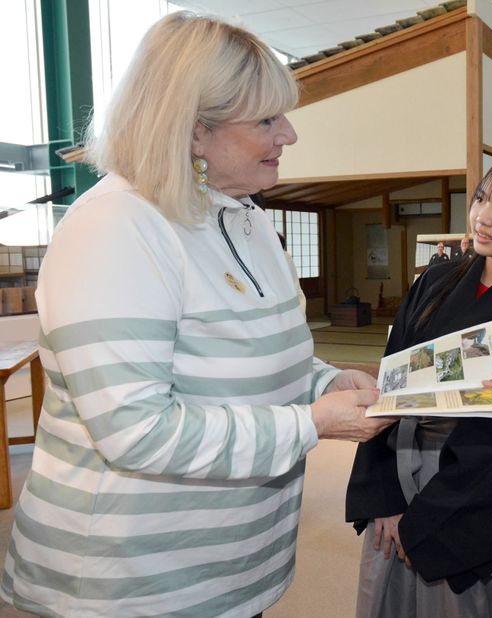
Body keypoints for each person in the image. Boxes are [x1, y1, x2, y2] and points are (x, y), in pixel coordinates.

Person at [0, 12, 393, 618]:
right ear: (192, 131)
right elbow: (136, 430)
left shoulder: (245, 217)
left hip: (232, 566)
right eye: (266, 119)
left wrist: (324, 380)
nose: (288, 134)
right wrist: (311, 423)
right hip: (133, 581)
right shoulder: (115, 230)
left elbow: (253, 353)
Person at [346, 155, 492, 617]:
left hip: (470, 501)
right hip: (400, 463)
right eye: (480, 199)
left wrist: (429, 525)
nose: (482, 217)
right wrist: (385, 497)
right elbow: (390, 384)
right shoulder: (433, 282)